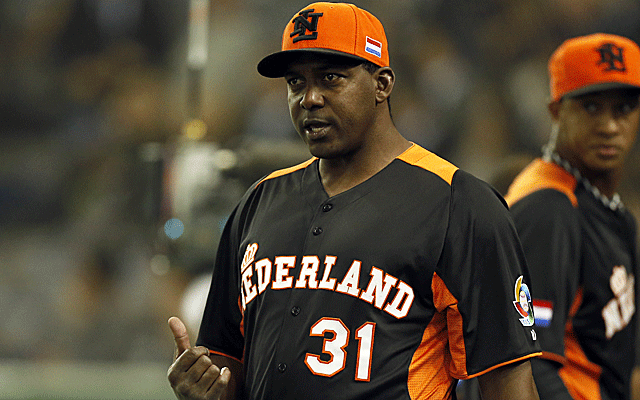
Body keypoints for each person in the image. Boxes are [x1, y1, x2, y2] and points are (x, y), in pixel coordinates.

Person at [167, 2, 541, 399]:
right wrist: (207, 389)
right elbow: (229, 365)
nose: (309, 98)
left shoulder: (458, 203)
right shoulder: (259, 201)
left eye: (331, 77)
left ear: (382, 84)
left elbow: (509, 382)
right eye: (296, 83)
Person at [504, 33, 640, 400]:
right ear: (556, 110)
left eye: (623, 109)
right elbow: (528, 360)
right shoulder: (548, 208)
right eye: (591, 107)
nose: (609, 126)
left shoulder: (608, 208)